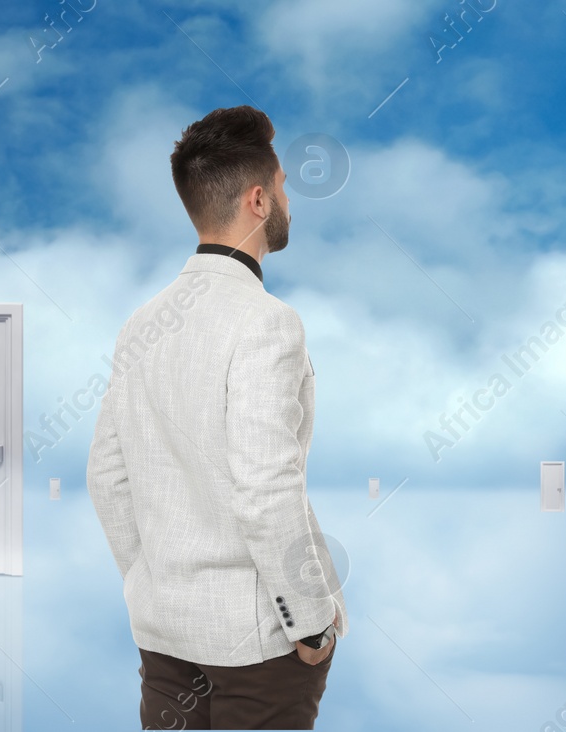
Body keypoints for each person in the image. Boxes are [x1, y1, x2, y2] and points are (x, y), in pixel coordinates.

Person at [87, 105, 347, 730]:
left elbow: (108, 478)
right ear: (259, 200)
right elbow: (265, 488)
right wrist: (310, 619)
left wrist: (161, 585)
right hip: (258, 646)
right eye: (284, 186)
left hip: (165, 633)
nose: (288, 198)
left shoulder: (141, 325)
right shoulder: (268, 323)